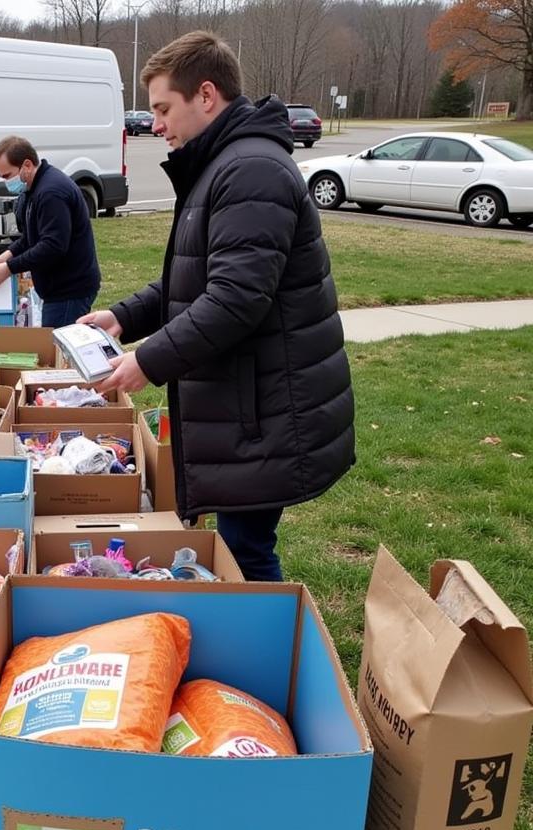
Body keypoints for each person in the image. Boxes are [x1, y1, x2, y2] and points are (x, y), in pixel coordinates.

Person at [81, 32, 354, 581]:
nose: (155, 124)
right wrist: (125, 317)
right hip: (247, 406)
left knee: (245, 552)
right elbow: (195, 282)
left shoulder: (250, 169)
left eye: (163, 108)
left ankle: (268, 659)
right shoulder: (221, 163)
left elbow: (234, 300)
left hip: (264, 410)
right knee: (240, 548)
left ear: (206, 96)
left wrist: (148, 361)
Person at [0, 136, 101, 328]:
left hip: (69, 290)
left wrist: (8, 268)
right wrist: (5, 256)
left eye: (7, 176)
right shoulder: (33, 189)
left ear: (26, 165)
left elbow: (53, 246)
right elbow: (32, 237)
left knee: (58, 350)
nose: (5, 182)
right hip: (56, 289)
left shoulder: (51, 193)